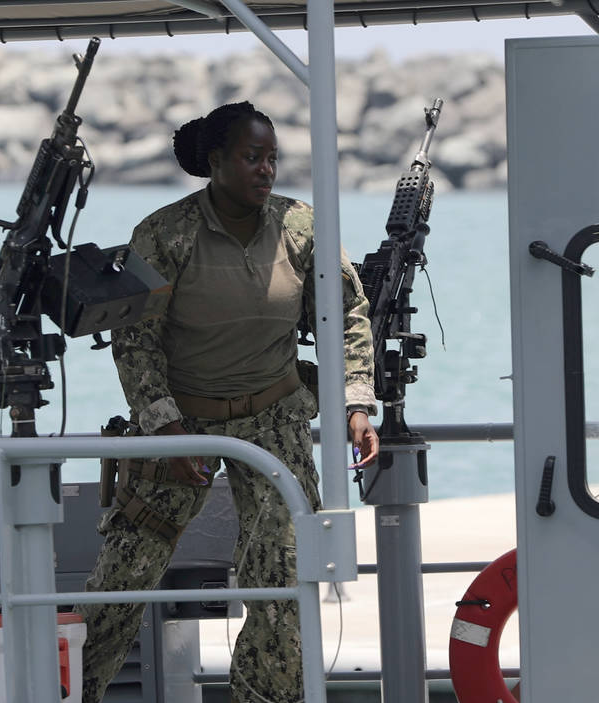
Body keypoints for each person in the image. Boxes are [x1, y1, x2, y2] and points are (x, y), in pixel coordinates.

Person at [76, 100, 379, 703]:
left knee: (283, 578)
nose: (266, 170)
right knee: (125, 577)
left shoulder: (302, 228)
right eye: (251, 157)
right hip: (183, 423)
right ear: (215, 161)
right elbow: (135, 340)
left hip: (274, 418)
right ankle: (66, 690)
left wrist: (355, 403)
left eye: (272, 158)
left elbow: (347, 313)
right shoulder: (165, 234)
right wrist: (164, 431)